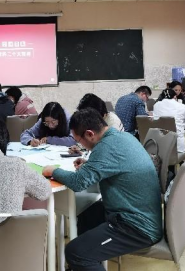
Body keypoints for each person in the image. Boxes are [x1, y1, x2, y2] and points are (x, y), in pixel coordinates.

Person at [42, 109, 162, 271]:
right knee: (87, 215)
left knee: (75, 252)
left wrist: (53, 171)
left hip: (137, 227)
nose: (80, 145)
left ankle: (83, 261)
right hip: (137, 212)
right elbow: (115, 164)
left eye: (79, 140)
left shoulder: (105, 147)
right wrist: (90, 165)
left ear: (90, 134)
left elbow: (78, 183)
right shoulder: (122, 137)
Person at [153, 88, 185, 153]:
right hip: (178, 146)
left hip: (159, 145)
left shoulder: (156, 106)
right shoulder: (181, 106)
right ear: (175, 97)